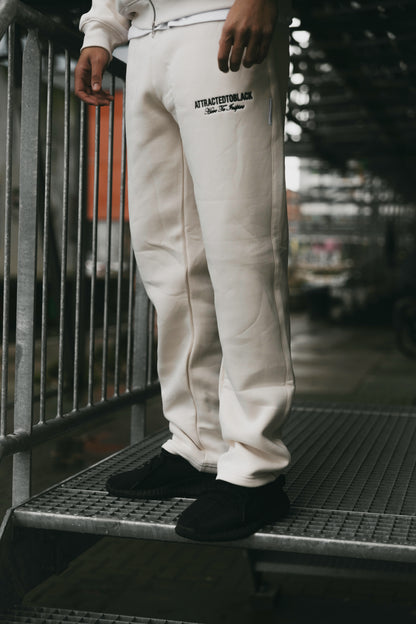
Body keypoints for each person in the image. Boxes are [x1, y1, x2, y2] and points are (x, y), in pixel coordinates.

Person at [75, 0, 295, 542]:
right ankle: (198, 444)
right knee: (169, 260)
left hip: (218, 23)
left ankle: (256, 467)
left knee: (242, 250)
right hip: (144, 43)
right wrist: (101, 29)